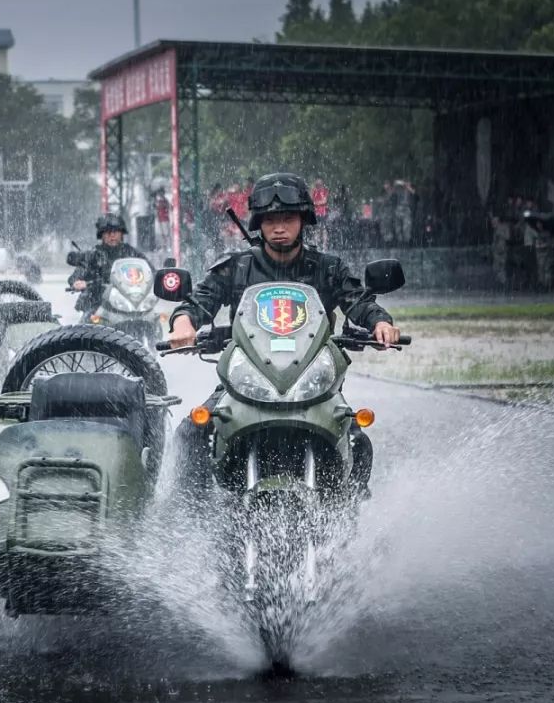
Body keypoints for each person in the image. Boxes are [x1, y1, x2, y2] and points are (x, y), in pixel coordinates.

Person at [167, 173, 401, 492]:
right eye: (270, 219)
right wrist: (184, 323)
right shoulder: (236, 268)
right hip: (246, 382)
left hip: (312, 383)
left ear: (303, 220)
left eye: (288, 218)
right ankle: (192, 522)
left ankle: (347, 520)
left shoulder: (328, 268)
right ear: (258, 223)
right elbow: (199, 302)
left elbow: (357, 300)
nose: (279, 227)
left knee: (358, 441)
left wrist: (380, 323)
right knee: (193, 433)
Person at [68, 213, 146, 314]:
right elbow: (79, 271)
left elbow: (148, 270)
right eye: (108, 232)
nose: (112, 235)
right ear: (102, 235)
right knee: (88, 321)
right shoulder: (94, 254)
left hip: (131, 301)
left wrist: (161, 277)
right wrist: (77, 282)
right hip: (98, 302)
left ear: (121, 234)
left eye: (116, 231)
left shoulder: (132, 253)